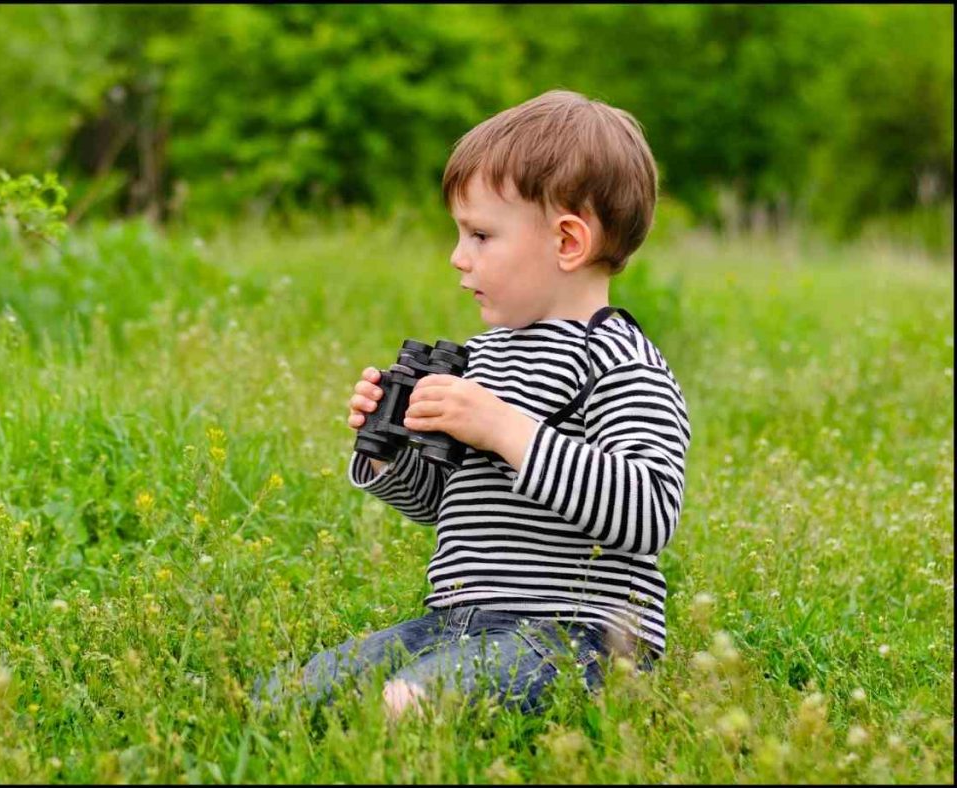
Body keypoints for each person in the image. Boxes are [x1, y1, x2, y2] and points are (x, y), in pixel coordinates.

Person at [253, 89, 691, 720]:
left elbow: (649, 511)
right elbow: (448, 505)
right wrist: (389, 456)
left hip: (581, 635)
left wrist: (507, 429)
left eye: (481, 235)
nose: (459, 258)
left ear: (568, 242)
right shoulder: (483, 356)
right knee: (290, 699)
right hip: (458, 619)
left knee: (414, 701)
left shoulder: (619, 359)